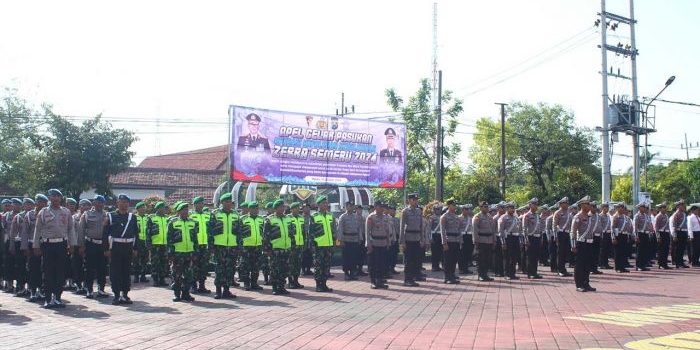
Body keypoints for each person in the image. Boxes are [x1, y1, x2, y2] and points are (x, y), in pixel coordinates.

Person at [32, 189, 76, 308]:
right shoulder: (43, 212)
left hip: (61, 245)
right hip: (47, 245)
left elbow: (71, 229)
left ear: (61, 199)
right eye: (53, 196)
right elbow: (37, 229)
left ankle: (57, 297)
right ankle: (47, 298)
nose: (55, 198)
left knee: (60, 272)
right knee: (48, 272)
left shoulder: (66, 212)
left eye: (58, 196)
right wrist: (36, 246)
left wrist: (72, 244)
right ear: (49, 198)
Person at [104, 193, 140, 305]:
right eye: (121, 202)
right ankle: (116, 295)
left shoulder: (132, 217)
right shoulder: (110, 216)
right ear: (117, 203)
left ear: (128, 204)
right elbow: (105, 234)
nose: (123, 204)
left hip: (128, 247)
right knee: (115, 272)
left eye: (126, 202)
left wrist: (136, 248)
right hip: (115, 247)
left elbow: (136, 234)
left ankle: (125, 294)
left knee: (126, 271)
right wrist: (106, 249)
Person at [207, 193, 241, 299]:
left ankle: (226, 290)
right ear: (222, 202)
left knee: (230, 268)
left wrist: (239, 246)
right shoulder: (215, 214)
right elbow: (210, 231)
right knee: (219, 269)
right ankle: (218, 291)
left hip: (232, 246)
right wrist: (211, 246)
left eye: (230, 201)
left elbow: (239, 232)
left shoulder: (235, 215)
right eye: (226, 201)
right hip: (219, 246)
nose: (228, 203)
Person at [78, 195, 110, 299]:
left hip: (103, 245)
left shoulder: (107, 215)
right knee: (89, 268)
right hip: (91, 244)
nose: (100, 204)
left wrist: (109, 247)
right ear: (94, 203)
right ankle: (89, 289)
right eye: (98, 202)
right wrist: (81, 246)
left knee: (102, 268)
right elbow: (81, 231)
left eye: (102, 203)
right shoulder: (87, 214)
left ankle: (101, 289)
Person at [167, 202, 199, 302]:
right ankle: (177, 294)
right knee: (176, 275)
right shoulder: (173, 222)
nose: (185, 212)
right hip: (177, 253)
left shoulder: (192, 222)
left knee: (188, 275)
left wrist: (195, 252)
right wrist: (170, 253)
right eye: (183, 210)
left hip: (189, 253)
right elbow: (169, 239)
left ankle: (186, 293)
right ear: (179, 211)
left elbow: (195, 239)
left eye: (186, 210)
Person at [263, 199, 295, 295]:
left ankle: (281, 287)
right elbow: (266, 236)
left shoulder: (288, 219)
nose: (282, 209)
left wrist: (293, 247)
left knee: (285, 269)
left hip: (286, 248)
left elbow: (291, 234)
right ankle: (275, 287)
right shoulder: (270, 219)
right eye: (280, 207)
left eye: (283, 207)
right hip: (275, 249)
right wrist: (267, 249)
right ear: (275, 208)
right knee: (275, 269)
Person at [23, 195, 46, 302]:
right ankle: (33, 291)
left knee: (45, 269)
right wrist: (25, 247)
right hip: (32, 244)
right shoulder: (29, 214)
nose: (41, 204)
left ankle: (42, 290)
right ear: (36, 202)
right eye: (39, 201)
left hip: (46, 244)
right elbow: (25, 232)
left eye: (43, 202)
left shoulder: (48, 213)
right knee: (33, 268)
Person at [310, 196, 336, 292]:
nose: (325, 205)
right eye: (323, 203)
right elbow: (311, 233)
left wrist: (333, 243)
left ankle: (324, 284)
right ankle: (318, 285)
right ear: (318, 205)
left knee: (327, 266)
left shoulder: (330, 215)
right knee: (319, 266)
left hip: (328, 245)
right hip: (319, 246)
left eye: (326, 203)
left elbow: (333, 231)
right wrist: (312, 246)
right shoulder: (314, 216)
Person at [9, 198, 34, 297]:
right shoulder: (18, 217)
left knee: (32, 267)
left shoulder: (35, 216)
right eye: (26, 204)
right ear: (23, 206)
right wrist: (11, 246)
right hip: (19, 243)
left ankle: (31, 287)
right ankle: (21, 287)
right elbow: (12, 233)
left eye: (30, 204)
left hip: (32, 243)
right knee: (20, 266)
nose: (28, 206)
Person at [571, 196, 596, 292]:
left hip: (589, 243)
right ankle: (579, 284)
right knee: (580, 264)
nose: (589, 206)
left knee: (587, 264)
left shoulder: (589, 217)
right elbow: (573, 232)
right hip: (581, 243)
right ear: (582, 205)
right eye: (587, 204)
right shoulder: (578, 217)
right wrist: (573, 245)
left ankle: (586, 283)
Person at [239, 201, 265, 291]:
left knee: (256, 266)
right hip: (246, 247)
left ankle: (254, 283)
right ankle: (246, 284)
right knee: (245, 266)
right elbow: (239, 233)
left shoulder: (261, 219)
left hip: (258, 246)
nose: (255, 210)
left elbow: (263, 233)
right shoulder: (243, 219)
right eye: (253, 208)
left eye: (256, 208)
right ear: (249, 209)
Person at [399, 193, 424, 287]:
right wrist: (402, 242)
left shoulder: (419, 211)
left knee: (416, 260)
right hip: (408, 238)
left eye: (417, 199)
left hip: (417, 238)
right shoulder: (405, 211)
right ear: (409, 200)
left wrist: (422, 239)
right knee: (408, 261)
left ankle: (413, 278)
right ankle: (407, 279)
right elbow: (402, 227)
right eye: (414, 199)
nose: (416, 201)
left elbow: (421, 226)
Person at [189, 196, 211, 294]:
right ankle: (193, 286)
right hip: (195, 245)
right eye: (199, 203)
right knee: (194, 265)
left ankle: (202, 285)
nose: (201, 205)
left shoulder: (207, 216)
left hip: (205, 244)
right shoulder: (191, 216)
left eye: (202, 203)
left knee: (204, 266)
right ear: (195, 205)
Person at [366, 202, 391, 289]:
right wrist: (368, 244)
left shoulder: (386, 217)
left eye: (383, 207)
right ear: (376, 207)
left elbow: (388, 231)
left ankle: (380, 281)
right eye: (381, 207)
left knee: (382, 263)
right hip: (374, 243)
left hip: (383, 242)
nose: (383, 209)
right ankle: (373, 281)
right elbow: (367, 232)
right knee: (374, 264)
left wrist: (388, 242)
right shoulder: (371, 217)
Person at [338, 201, 362, 281]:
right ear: (346, 207)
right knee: (346, 258)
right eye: (349, 206)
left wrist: (360, 239)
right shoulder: (343, 217)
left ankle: (353, 273)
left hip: (355, 239)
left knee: (354, 257)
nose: (351, 207)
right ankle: (346, 273)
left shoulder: (356, 217)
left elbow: (359, 228)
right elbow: (340, 230)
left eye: (352, 206)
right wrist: (340, 241)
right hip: (346, 240)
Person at [440, 199, 463, 284]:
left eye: (455, 205)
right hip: (448, 240)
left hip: (456, 240)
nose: (455, 206)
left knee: (454, 259)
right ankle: (447, 277)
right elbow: (442, 230)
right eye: (453, 205)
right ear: (449, 206)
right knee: (448, 260)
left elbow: (459, 230)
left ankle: (452, 275)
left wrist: (460, 241)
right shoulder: (444, 216)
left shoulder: (457, 217)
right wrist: (444, 242)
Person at [147, 201, 170, 286]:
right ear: (157, 208)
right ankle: (155, 279)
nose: (163, 209)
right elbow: (148, 232)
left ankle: (162, 279)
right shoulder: (151, 218)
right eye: (161, 208)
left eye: (164, 208)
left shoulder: (167, 218)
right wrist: (148, 244)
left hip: (165, 244)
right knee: (155, 262)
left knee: (164, 262)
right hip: (155, 244)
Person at [473, 201, 496, 282]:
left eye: (487, 206)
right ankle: (481, 275)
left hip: (489, 240)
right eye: (484, 207)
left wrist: (494, 240)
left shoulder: (490, 217)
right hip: (481, 240)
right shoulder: (477, 216)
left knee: (487, 259)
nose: (486, 208)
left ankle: (485, 274)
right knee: (480, 259)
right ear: (481, 208)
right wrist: (475, 241)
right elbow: (475, 229)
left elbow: (493, 230)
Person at [498, 202, 521, 280]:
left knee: (514, 257)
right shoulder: (503, 218)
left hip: (515, 238)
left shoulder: (516, 218)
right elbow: (500, 231)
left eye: (513, 208)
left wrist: (520, 241)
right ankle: (507, 273)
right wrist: (503, 242)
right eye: (511, 208)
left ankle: (512, 273)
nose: (513, 209)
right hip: (508, 238)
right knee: (507, 257)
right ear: (507, 209)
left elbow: (519, 230)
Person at [286, 202, 305, 289]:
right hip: (292, 245)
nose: (298, 209)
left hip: (300, 245)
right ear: (292, 209)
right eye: (296, 208)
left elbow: (304, 231)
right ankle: (291, 282)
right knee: (291, 264)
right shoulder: (288, 218)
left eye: (298, 208)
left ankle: (296, 281)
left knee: (298, 264)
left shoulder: (301, 218)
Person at [522, 198, 543, 279]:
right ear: (530, 205)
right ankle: (530, 273)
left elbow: (540, 228)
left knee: (536, 256)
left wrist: (541, 238)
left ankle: (535, 272)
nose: (535, 206)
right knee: (530, 256)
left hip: (537, 238)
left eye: (536, 204)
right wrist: (526, 239)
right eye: (533, 204)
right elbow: (524, 229)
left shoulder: (538, 215)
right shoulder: (527, 215)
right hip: (530, 238)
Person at [553, 197, 573, 277]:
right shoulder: (557, 213)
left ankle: (564, 269)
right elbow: (554, 225)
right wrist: (555, 237)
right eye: (565, 203)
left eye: (567, 203)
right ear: (561, 204)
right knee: (560, 253)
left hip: (567, 234)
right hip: (560, 234)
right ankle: (560, 270)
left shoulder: (569, 213)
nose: (567, 204)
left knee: (566, 252)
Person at [133, 202, 150, 283]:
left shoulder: (148, 218)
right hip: (137, 241)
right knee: (136, 259)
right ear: (137, 209)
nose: (143, 209)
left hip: (145, 241)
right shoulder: (134, 217)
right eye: (141, 208)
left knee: (145, 259)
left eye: (144, 207)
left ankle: (143, 276)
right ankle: (136, 276)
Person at [612, 202, 632, 273]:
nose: (623, 209)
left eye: (623, 207)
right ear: (617, 208)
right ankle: (618, 267)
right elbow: (612, 228)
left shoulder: (625, 217)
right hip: (618, 235)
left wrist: (628, 236)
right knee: (618, 252)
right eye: (621, 207)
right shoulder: (616, 216)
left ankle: (622, 267)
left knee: (624, 252)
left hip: (624, 235)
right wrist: (613, 237)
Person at [633, 202, 653, 271]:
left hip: (646, 234)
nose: (644, 208)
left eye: (645, 207)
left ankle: (643, 265)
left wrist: (650, 232)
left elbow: (649, 225)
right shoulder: (637, 216)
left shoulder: (646, 216)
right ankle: (638, 266)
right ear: (639, 208)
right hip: (640, 234)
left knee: (645, 250)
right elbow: (635, 227)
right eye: (643, 207)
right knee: (640, 251)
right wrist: (636, 236)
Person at [670, 200, 689, 268]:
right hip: (678, 232)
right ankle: (678, 263)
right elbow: (674, 225)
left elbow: (685, 224)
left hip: (684, 232)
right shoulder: (676, 214)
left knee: (682, 248)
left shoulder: (684, 214)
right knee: (678, 248)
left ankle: (681, 262)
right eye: (681, 205)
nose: (683, 206)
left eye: (683, 205)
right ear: (678, 206)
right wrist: (674, 235)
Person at [654, 202, 672, 269]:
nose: (665, 209)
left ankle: (665, 263)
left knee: (666, 249)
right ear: (660, 209)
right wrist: (658, 236)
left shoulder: (666, 216)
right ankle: (661, 264)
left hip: (666, 233)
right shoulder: (658, 216)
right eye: (663, 208)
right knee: (661, 250)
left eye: (665, 207)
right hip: (661, 233)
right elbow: (656, 227)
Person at [458, 204, 475, 275]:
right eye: (466, 209)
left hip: (469, 236)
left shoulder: (470, 218)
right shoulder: (459, 218)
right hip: (462, 236)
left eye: (468, 209)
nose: (468, 211)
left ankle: (466, 268)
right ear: (462, 210)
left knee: (468, 253)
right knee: (462, 254)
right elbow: (458, 229)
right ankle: (461, 269)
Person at [427, 203, 443, 272]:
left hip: (441, 235)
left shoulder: (443, 217)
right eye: (436, 209)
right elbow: (429, 228)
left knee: (442, 252)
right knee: (435, 252)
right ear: (434, 210)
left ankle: (443, 265)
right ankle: (434, 266)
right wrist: (430, 238)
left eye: (439, 209)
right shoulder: (432, 217)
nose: (438, 210)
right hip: (435, 235)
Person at [598, 202, 614, 270]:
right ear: (602, 208)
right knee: (602, 250)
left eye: (607, 207)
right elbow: (599, 226)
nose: (607, 208)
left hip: (608, 233)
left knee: (607, 249)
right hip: (603, 233)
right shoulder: (600, 216)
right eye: (605, 207)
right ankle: (601, 263)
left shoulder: (608, 216)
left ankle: (606, 263)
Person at [301, 203, 315, 276]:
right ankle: (303, 270)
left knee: (310, 255)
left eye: (308, 207)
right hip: (303, 239)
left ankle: (309, 269)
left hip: (310, 238)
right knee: (303, 255)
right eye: (305, 207)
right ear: (302, 209)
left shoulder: (312, 217)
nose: (306, 209)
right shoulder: (300, 217)